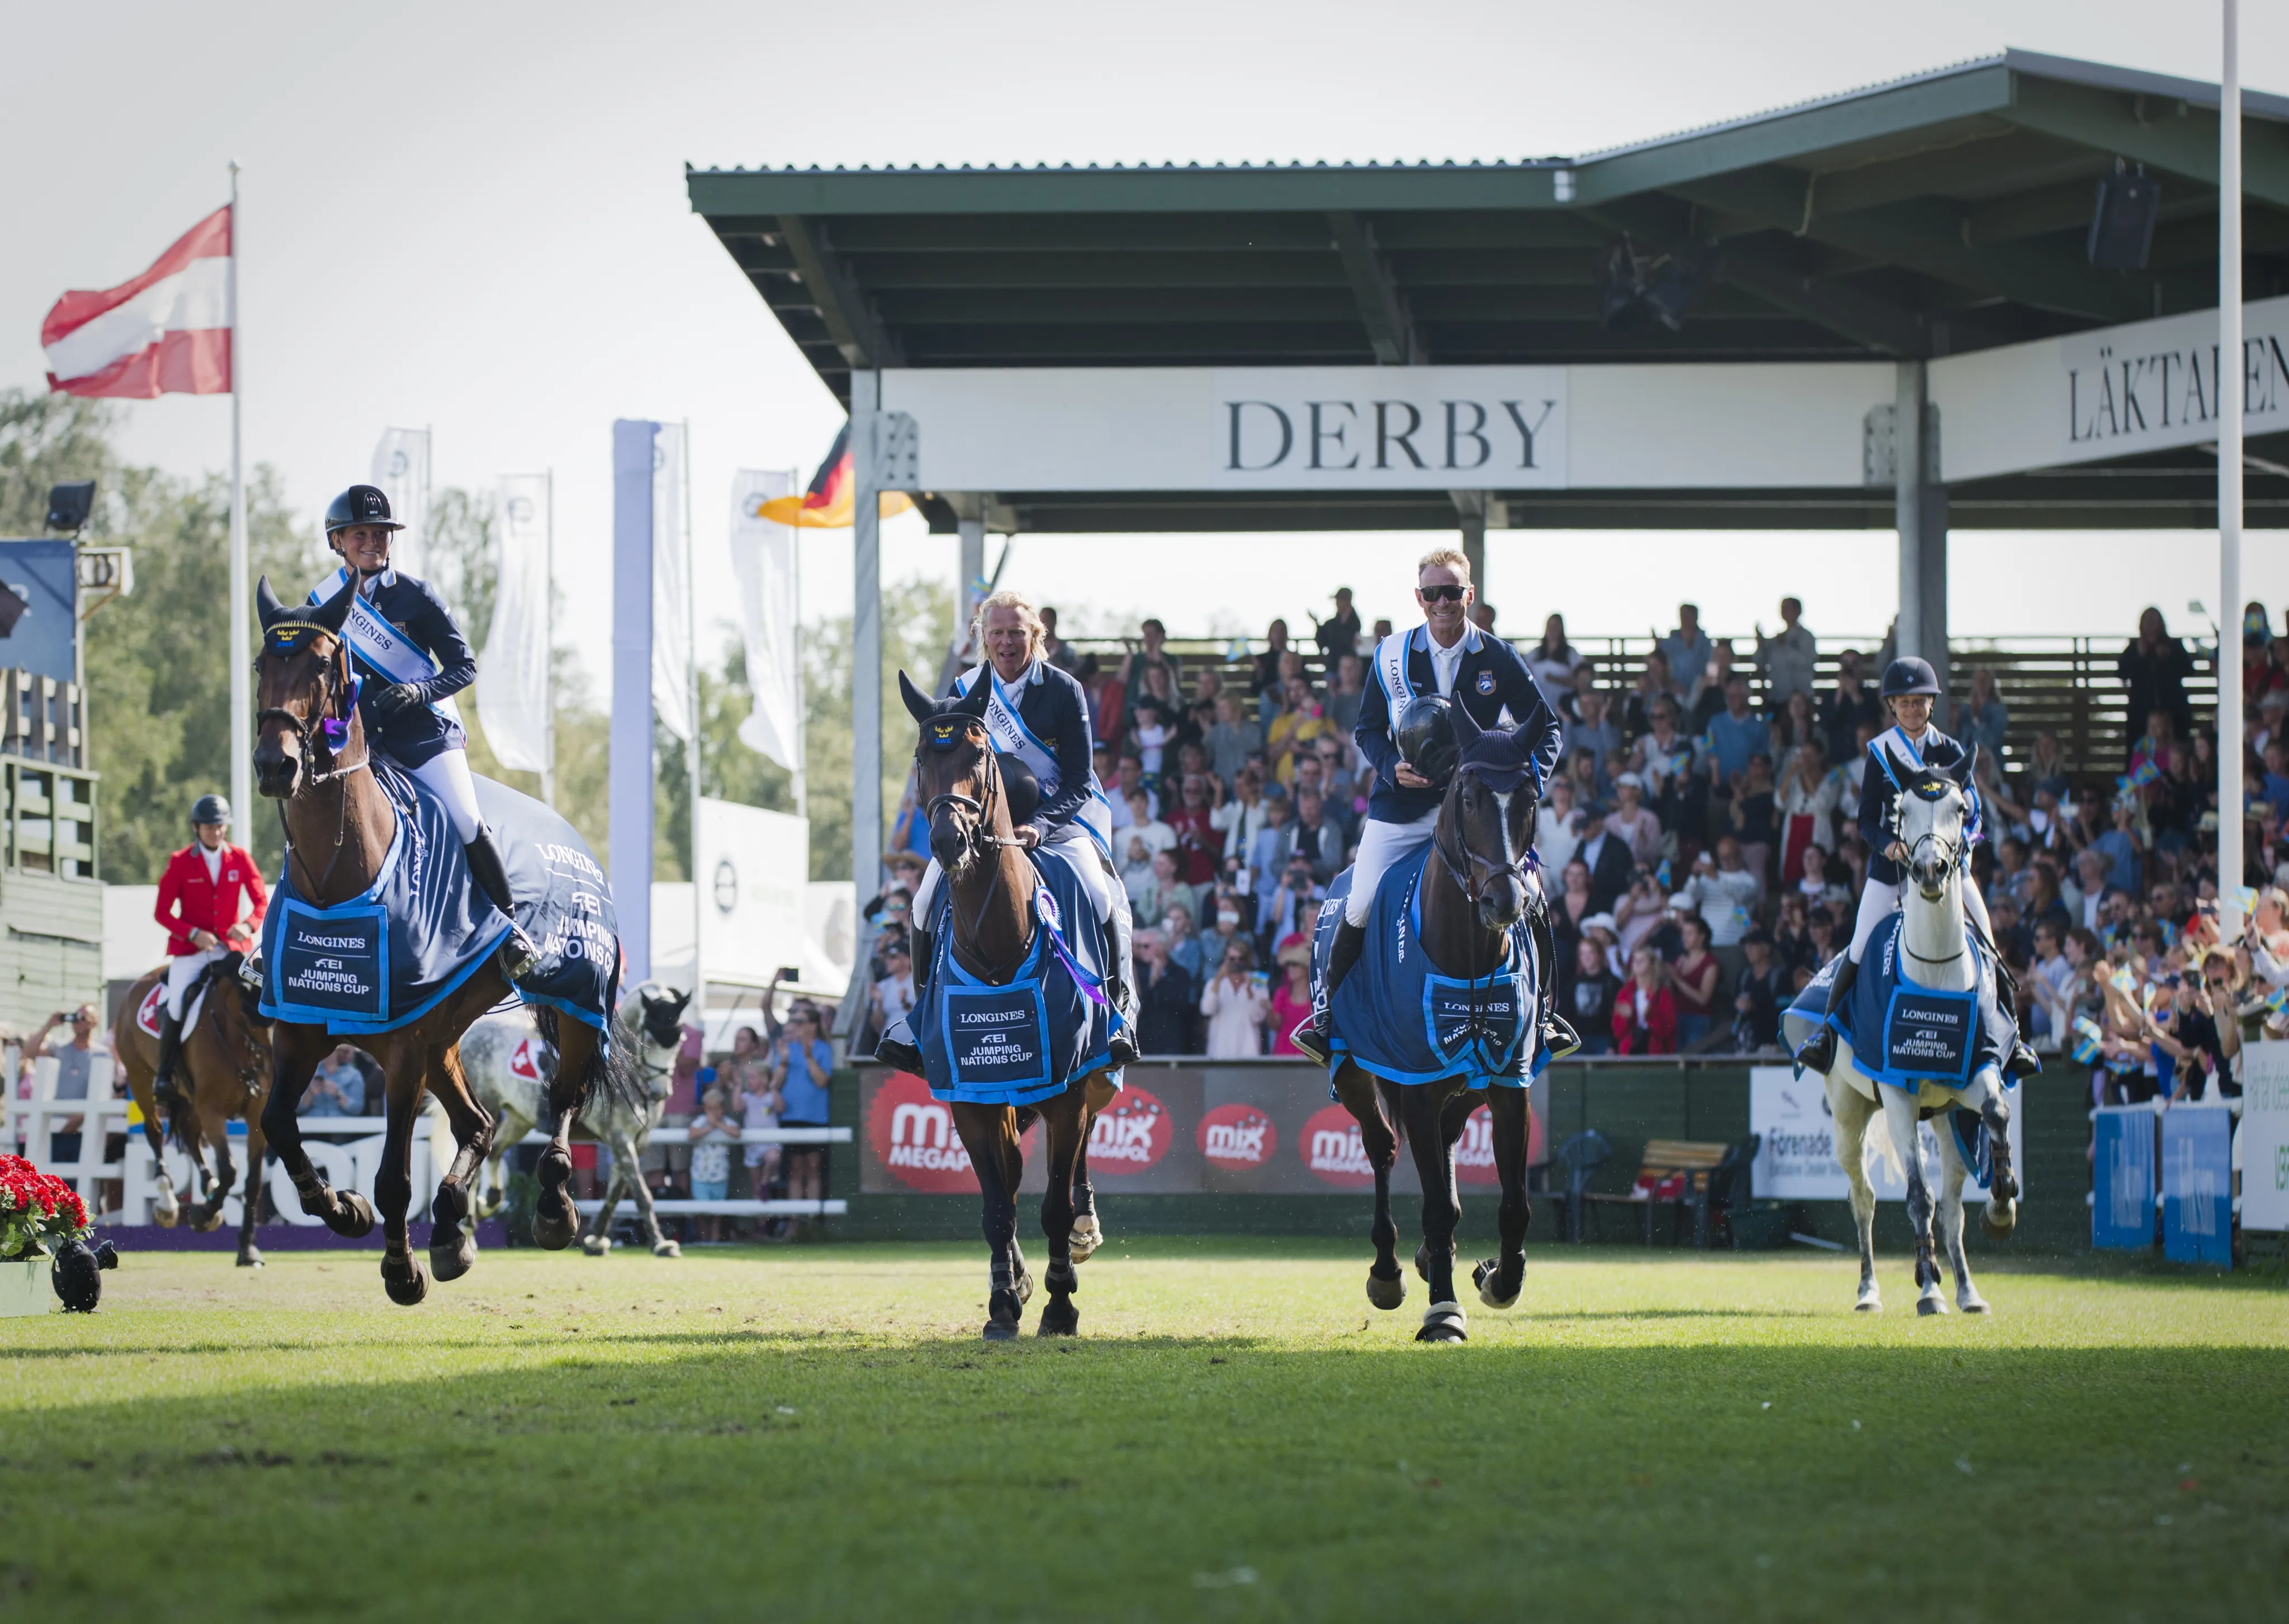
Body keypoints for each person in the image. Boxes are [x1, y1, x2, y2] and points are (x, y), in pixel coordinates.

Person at [1294, 548, 1565, 1065]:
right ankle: (1327, 1019)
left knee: (1533, 895)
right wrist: (1389, 765)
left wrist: (1529, 780)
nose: (1443, 602)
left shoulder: (1499, 657)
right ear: (1419, 598)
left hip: (1478, 813)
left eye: (1452, 592)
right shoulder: (1390, 654)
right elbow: (1367, 729)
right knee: (1361, 900)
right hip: (1402, 805)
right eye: (1432, 593)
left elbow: (1547, 727)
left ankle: (1547, 1018)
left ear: (1469, 594)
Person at [884, 590, 1139, 1071]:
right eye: (997, 633)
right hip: (984, 828)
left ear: (1035, 635)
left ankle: (1116, 1012)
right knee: (922, 902)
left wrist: (1039, 825)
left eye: (1016, 633)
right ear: (984, 636)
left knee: (1100, 892)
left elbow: (1080, 781)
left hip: (1058, 821)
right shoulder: (965, 689)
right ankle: (920, 1022)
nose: (1006, 642)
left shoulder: (1063, 689)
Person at [304, 485, 540, 973]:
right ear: (338, 541)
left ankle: (508, 931)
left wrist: (419, 691)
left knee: (465, 817)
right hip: (358, 740)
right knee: (309, 814)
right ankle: (286, 936)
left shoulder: (416, 595)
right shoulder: (320, 602)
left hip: (424, 734)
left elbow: (464, 666)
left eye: (381, 534)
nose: (373, 542)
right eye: (360, 534)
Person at [1795, 656, 2038, 1079]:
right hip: (1891, 871)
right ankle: (1828, 1036)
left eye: (1919, 701)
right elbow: (1865, 819)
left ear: (1931, 704)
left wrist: (1960, 846)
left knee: (1988, 940)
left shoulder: (1952, 752)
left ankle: (2012, 1039)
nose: (1912, 709)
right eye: (1904, 702)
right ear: (1893, 706)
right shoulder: (1881, 752)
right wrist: (1889, 846)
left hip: (1947, 870)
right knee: (1859, 945)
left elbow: (1974, 814)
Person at [150, 793, 267, 1108]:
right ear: (196, 828)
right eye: (209, 827)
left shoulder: (240, 858)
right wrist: (192, 933)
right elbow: (162, 912)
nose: (216, 832)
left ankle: (268, 1062)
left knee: (258, 994)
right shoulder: (180, 862)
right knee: (178, 1004)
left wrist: (248, 926)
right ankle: (164, 1075)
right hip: (192, 951)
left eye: (220, 826)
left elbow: (261, 902)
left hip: (230, 949)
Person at [772, 1008, 834, 1211]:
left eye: (801, 1022)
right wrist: (783, 1060)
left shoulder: (825, 1049)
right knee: (795, 1169)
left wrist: (809, 1057)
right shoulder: (788, 1049)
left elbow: (822, 1081)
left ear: (813, 1026)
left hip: (816, 1117)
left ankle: (812, 1219)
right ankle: (795, 1218)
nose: (796, 1026)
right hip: (790, 1117)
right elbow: (775, 1084)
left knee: (813, 1168)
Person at [27, 1006, 99, 1164]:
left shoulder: (101, 1054)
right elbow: (30, 1053)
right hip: (57, 1126)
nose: (77, 1022)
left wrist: (81, 1117)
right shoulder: (60, 1049)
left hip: (86, 1128)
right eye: (75, 1017)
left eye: (83, 1018)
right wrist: (49, 1025)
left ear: (94, 1023)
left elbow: (107, 1093)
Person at [685, 1085, 738, 1242]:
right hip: (700, 1175)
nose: (713, 1112)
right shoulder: (701, 1122)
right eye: (709, 1109)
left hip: (720, 1175)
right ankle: (704, 1238)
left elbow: (737, 1133)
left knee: (717, 1213)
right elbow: (691, 1134)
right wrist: (709, 1128)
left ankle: (714, 1239)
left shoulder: (728, 1123)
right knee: (702, 1211)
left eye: (716, 1108)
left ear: (722, 1108)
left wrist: (718, 1125)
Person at [1200, 940, 1269, 1058]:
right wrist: (1218, 981)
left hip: (1249, 1052)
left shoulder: (1259, 983)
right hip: (1220, 1052)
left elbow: (1258, 1018)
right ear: (1225, 959)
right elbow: (1207, 1010)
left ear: (1248, 961)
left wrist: (1249, 990)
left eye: (1241, 959)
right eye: (1232, 959)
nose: (1236, 963)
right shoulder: (1213, 983)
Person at [1612, 946, 1676, 1055]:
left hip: (1655, 1051)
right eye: (1635, 960)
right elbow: (1618, 1032)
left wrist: (1651, 1018)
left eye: (1642, 960)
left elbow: (1669, 1029)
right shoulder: (1625, 992)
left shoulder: (1662, 994)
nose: (1637, 964)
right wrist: (1627, 1018)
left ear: (1652, 964)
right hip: (1629, 1050)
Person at [1754, 597, 1817, 707]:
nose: (1784, 611)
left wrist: (1786, 648)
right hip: (1777, 697)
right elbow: (1759, 662)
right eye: (1782, 608)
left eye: (1788, 608)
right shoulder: (1775, 641)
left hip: (1802, 698)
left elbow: (1807, 662)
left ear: (1798, 611)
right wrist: (1760, 645)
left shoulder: (1807, 637)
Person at [1266, 935, 1315, 1057]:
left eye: (1295, 964)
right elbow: (1275, 1026)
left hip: (1307, 1056)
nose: (1290, 969)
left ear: (1305, 968)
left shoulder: (1315, 997)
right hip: (1282, 1055)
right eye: (1289, 965)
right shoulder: (1282, 993)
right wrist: (1269, 1011)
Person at [300, 1044, 370, 1116]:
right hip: (311, 1121)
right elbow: (297, 1109)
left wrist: (338, 1095)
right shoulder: (308, 1072)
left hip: (341, 1122)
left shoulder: (354, 1075)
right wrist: (310, 1094)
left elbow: (357, 1110)